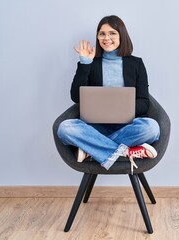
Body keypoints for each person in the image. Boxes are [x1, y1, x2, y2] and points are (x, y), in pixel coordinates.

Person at [57, 15, 160, 173]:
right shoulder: (91, 62)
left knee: (152, 128)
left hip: (127, 127)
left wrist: (120, 108)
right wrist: (85, 63)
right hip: (95, 129)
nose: (107, 38)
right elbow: (76, 98)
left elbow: (144, 102)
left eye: (112, 33)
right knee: (65, 128)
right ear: (97, 37)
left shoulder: (136, 63)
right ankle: (126, 152)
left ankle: (91, 150)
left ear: (121, 35)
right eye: (102, 34)